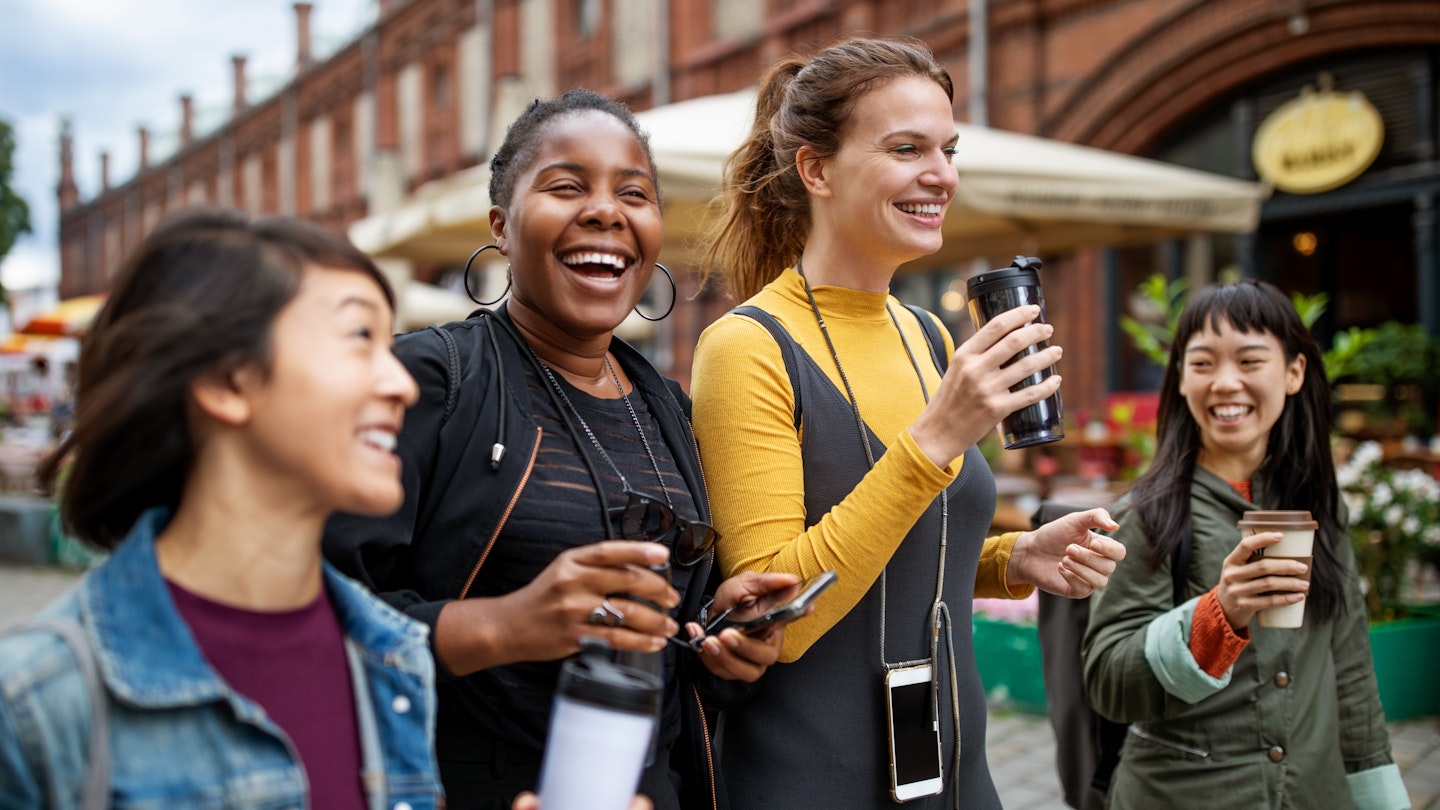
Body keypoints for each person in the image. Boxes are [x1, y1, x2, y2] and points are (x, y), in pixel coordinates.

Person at [323, 88, 797, 810]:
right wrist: (505, 626)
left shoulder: (669, 410)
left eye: (633, 193)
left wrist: (722, 647)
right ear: (502, 228)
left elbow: (677, 660)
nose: (607, 211)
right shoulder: (426, 381)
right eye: (566, 186)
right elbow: (318, 619)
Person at [690, 37, 1127, 809]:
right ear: (816, 170)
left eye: (948, 149)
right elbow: (775, 618)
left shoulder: (924, 332)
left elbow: (914, 540)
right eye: (906, 148)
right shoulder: (746, 347)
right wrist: (934, 440)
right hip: (811, 778)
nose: (941, 175)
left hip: (953, 767)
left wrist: (1016, 558)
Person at [0, 210, 443, 808]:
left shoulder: (392, 660)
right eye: (361, 338)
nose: (403, 384)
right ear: (226, 380)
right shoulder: (37, 700)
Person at [1081, 280, 1408, 809]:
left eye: (1250, 360)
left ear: (1295, 372)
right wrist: (1219, 613)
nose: (1226, 383)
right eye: (1204, 363)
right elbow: (1108, 683)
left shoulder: (1321, 506)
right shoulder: (1145, 515)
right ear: (1182, 380)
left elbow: (1349, 673)